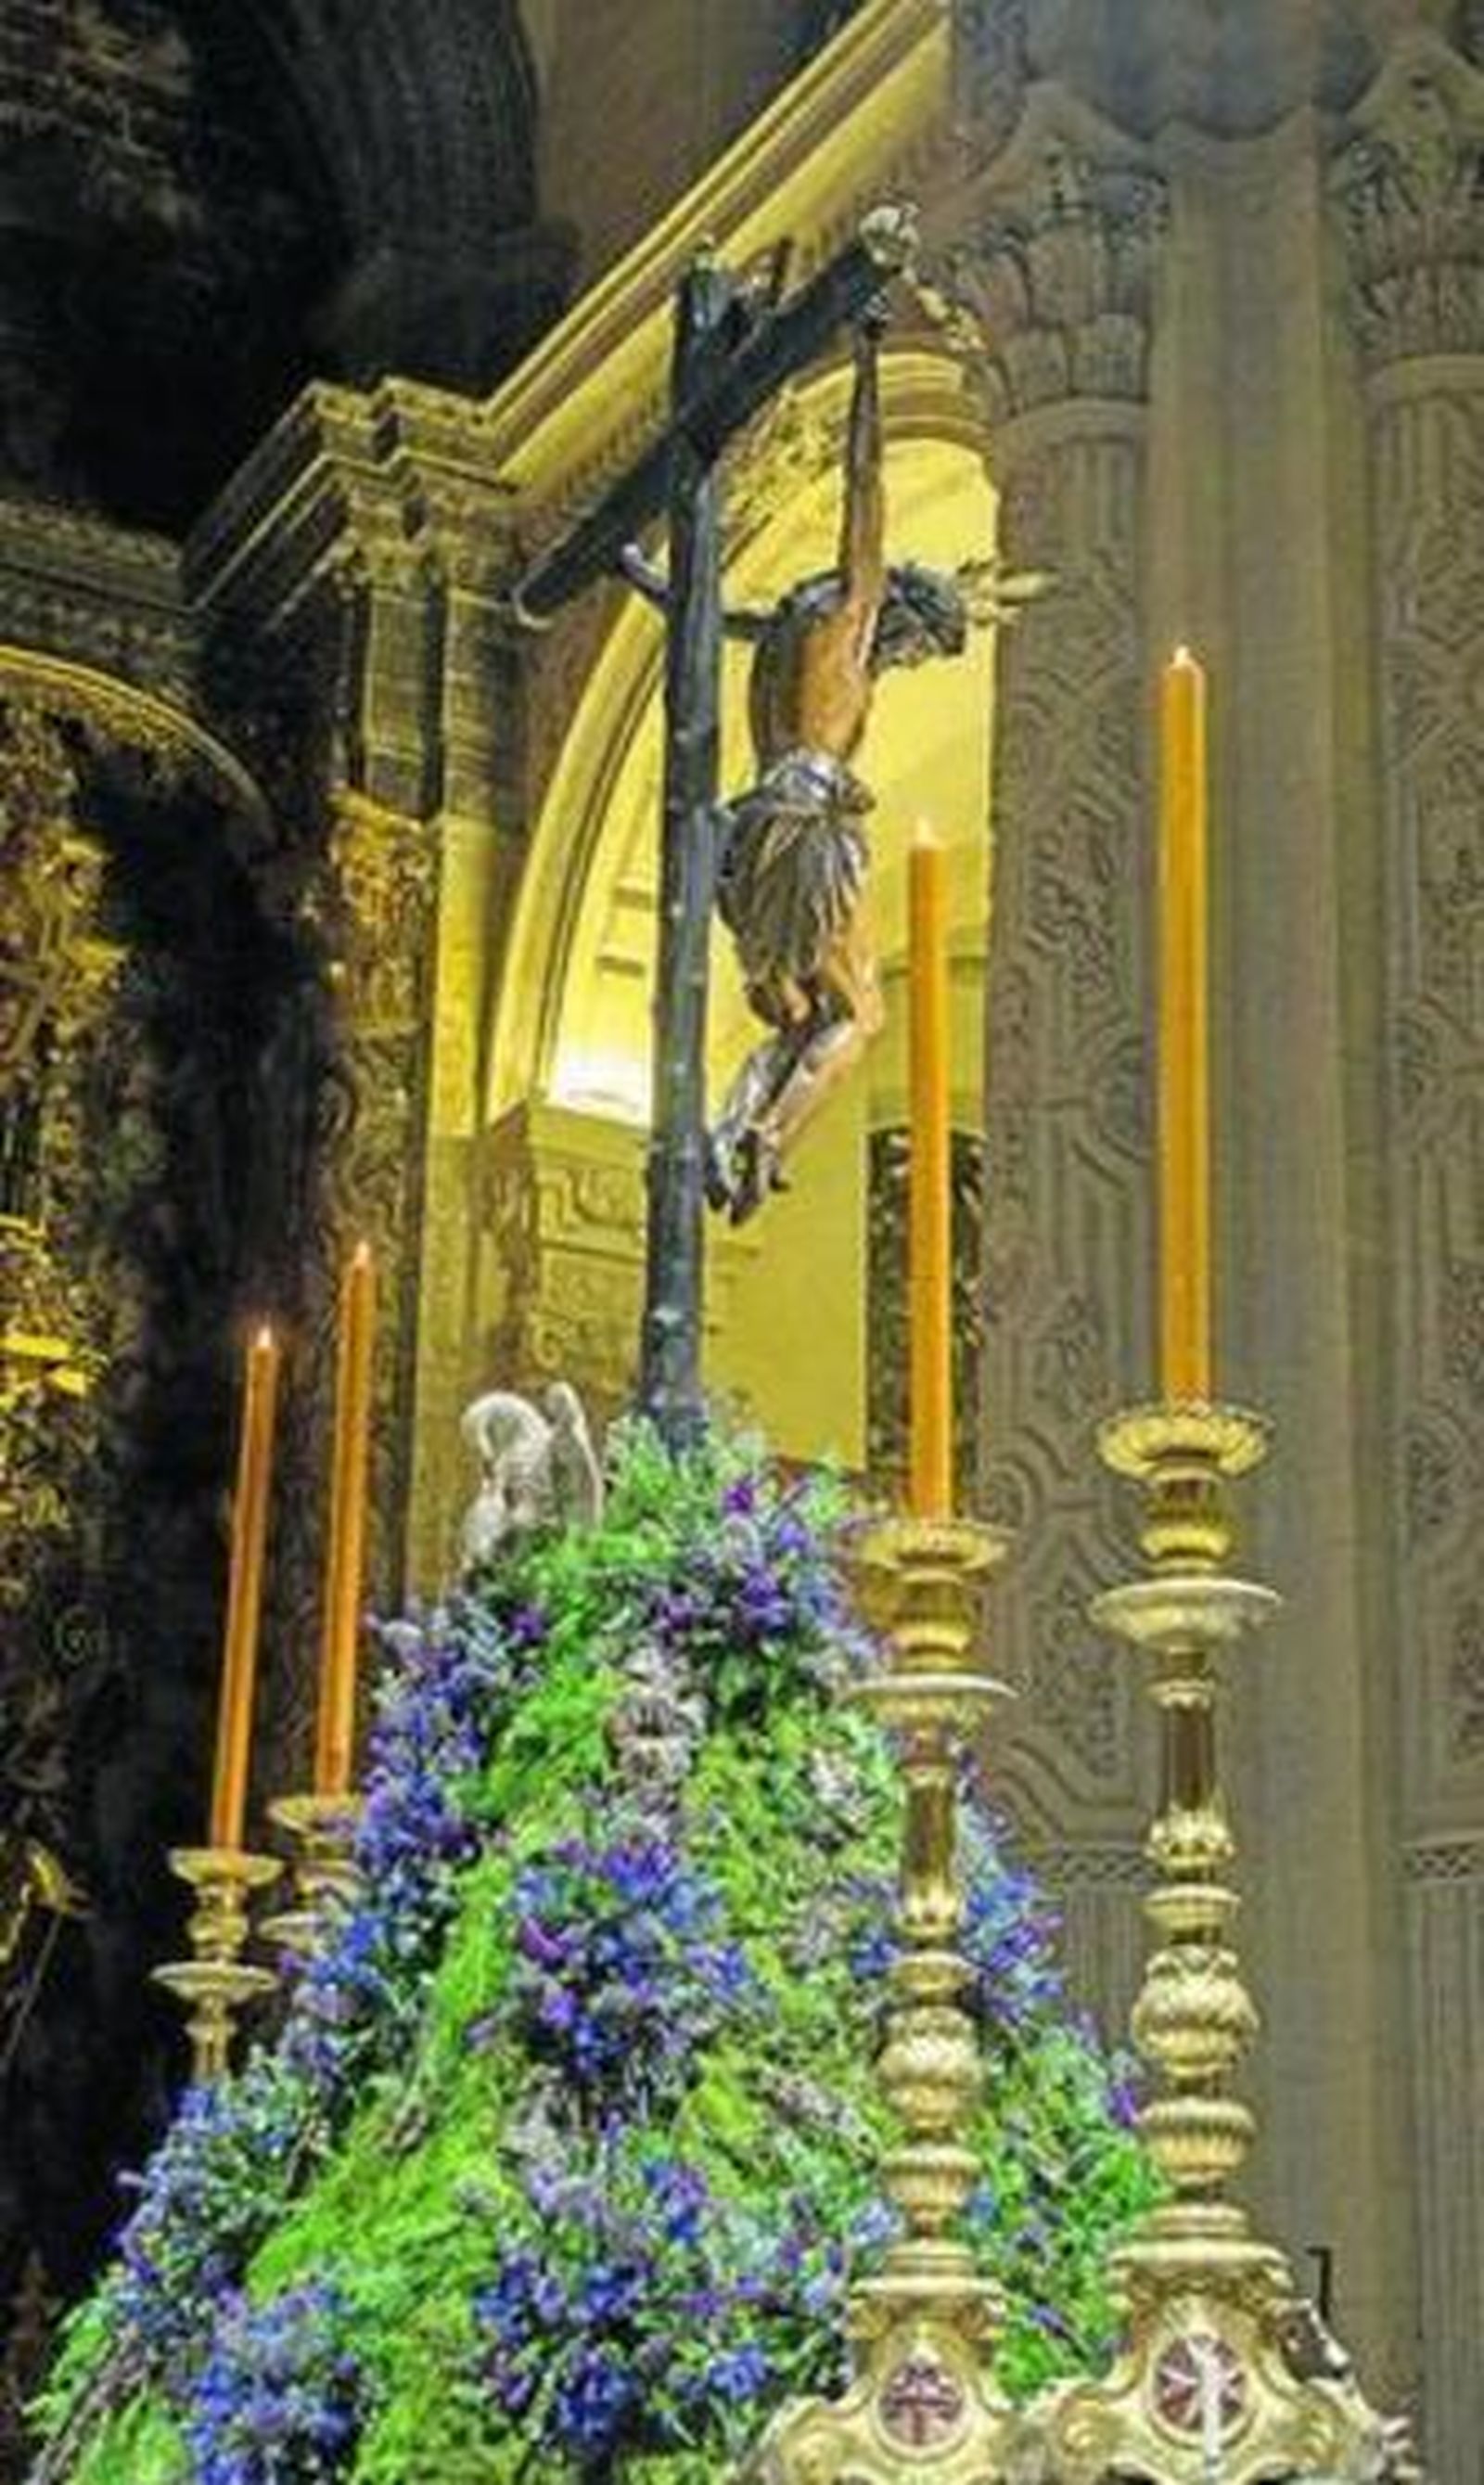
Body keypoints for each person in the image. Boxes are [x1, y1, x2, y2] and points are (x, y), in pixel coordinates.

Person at [623, 314, 995, 1223]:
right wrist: (866, 356)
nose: (899, 660)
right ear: (894, 610)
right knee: (859, 1014)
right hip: (810, 820)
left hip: (750, 833)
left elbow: (701, 612)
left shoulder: (784, 634)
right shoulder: (849, 621)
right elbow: (865, 487)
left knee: (799, 1014)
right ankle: (765, 1135)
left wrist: (638, 574)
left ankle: (735, 1123)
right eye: (911, 642)